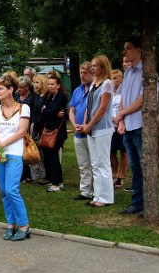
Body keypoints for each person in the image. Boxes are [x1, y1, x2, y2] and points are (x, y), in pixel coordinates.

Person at [0, 74, 31, 240]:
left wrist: (3, 144)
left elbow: (21, 132)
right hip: (0, 154)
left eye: (1, 88)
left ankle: (24, 225)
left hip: (14, 153)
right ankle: (10, 224)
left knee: (11, 190)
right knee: (4, 192)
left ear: (11, 90)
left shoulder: (24, 108)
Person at [115, 37, 144, 215]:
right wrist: (122, 120)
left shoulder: (146, 73)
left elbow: (142, 100)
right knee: (135, 168)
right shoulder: (129, 72)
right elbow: (123, 98)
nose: (125, 52)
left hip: (140, 125)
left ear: (139, 50)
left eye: (129, 48)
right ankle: (137, 202)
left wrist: (122, 114)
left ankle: (146, 203)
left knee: (143, 166)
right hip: (128, 126)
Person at [80, 55, 115, 206]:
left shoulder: (107, 84)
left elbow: (102, 109)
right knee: (95, 163)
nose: (92, 68)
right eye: (92, 65)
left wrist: (90, 125)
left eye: (95, 66)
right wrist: (84, 124)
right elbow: (90, 106)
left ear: (103, 68)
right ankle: (97, 194)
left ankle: (106, 197)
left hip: (102, 128)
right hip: (92, 129)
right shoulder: (94, 84)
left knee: (103, 163)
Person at [40, 71, 69, 192]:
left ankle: (56, 183)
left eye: (52, 84)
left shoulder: (61, 97)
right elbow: (42, 108)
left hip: (57, 131)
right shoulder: (49, 96)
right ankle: (56, 180)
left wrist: (48, 110)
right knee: (48, 156)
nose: (50, 86)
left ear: (58, 85)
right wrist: (49, 111)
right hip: (49, 129)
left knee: (53, 156)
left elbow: (51, 110)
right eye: (49, 84)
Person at [69, 61, 93, 201]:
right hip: (78, 132)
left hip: (91, 131)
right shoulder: (78, 90)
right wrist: (74, 124)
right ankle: (85, 191)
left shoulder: (95, 89)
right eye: (81, 73)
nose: (83, 75)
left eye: (86, 73)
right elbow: (72, 110)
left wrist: (85, 124)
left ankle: (98, 190)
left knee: (95, 163)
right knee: (83, 163)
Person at [109, 68, 127, 188]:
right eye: (112, 78)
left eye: (115, 78)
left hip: (121, 124)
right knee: (112, 151)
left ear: (121, 79)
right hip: (110, 125)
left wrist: (120, 119)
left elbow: (125, 107)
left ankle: (121, 175)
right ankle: (114, 174)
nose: (114, 81)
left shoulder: (124, 92)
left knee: (123, 151)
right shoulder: (109, 93)